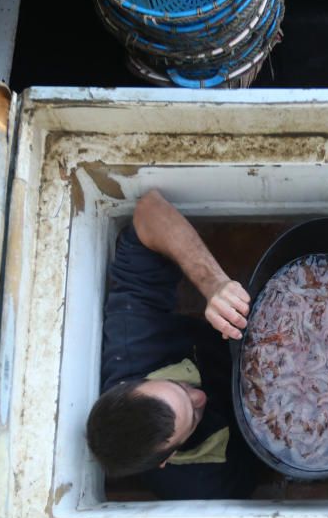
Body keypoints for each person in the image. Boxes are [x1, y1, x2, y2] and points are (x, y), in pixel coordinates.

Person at [86, 189, 261, 499]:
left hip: (224, 340)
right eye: (192, 417)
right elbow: (267, 466)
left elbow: (148, 212)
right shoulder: (204, 483)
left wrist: (214, 284)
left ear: (131, 384)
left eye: (179, 387)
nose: (199, 397)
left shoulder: (131, 346)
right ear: (166, 459)